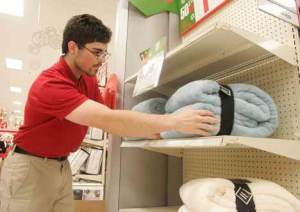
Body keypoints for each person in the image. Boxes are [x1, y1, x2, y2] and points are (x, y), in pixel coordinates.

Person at [0, 14, 218, 212]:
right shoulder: (50, 84)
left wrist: (152, 131)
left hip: (62, 166)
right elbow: (108, 119)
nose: (102, 59)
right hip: (29, 168)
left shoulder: (87, 79)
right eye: (96, 52)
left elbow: (107, 117)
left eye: (104, 52)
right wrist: (173, 122)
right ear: (73, 47)